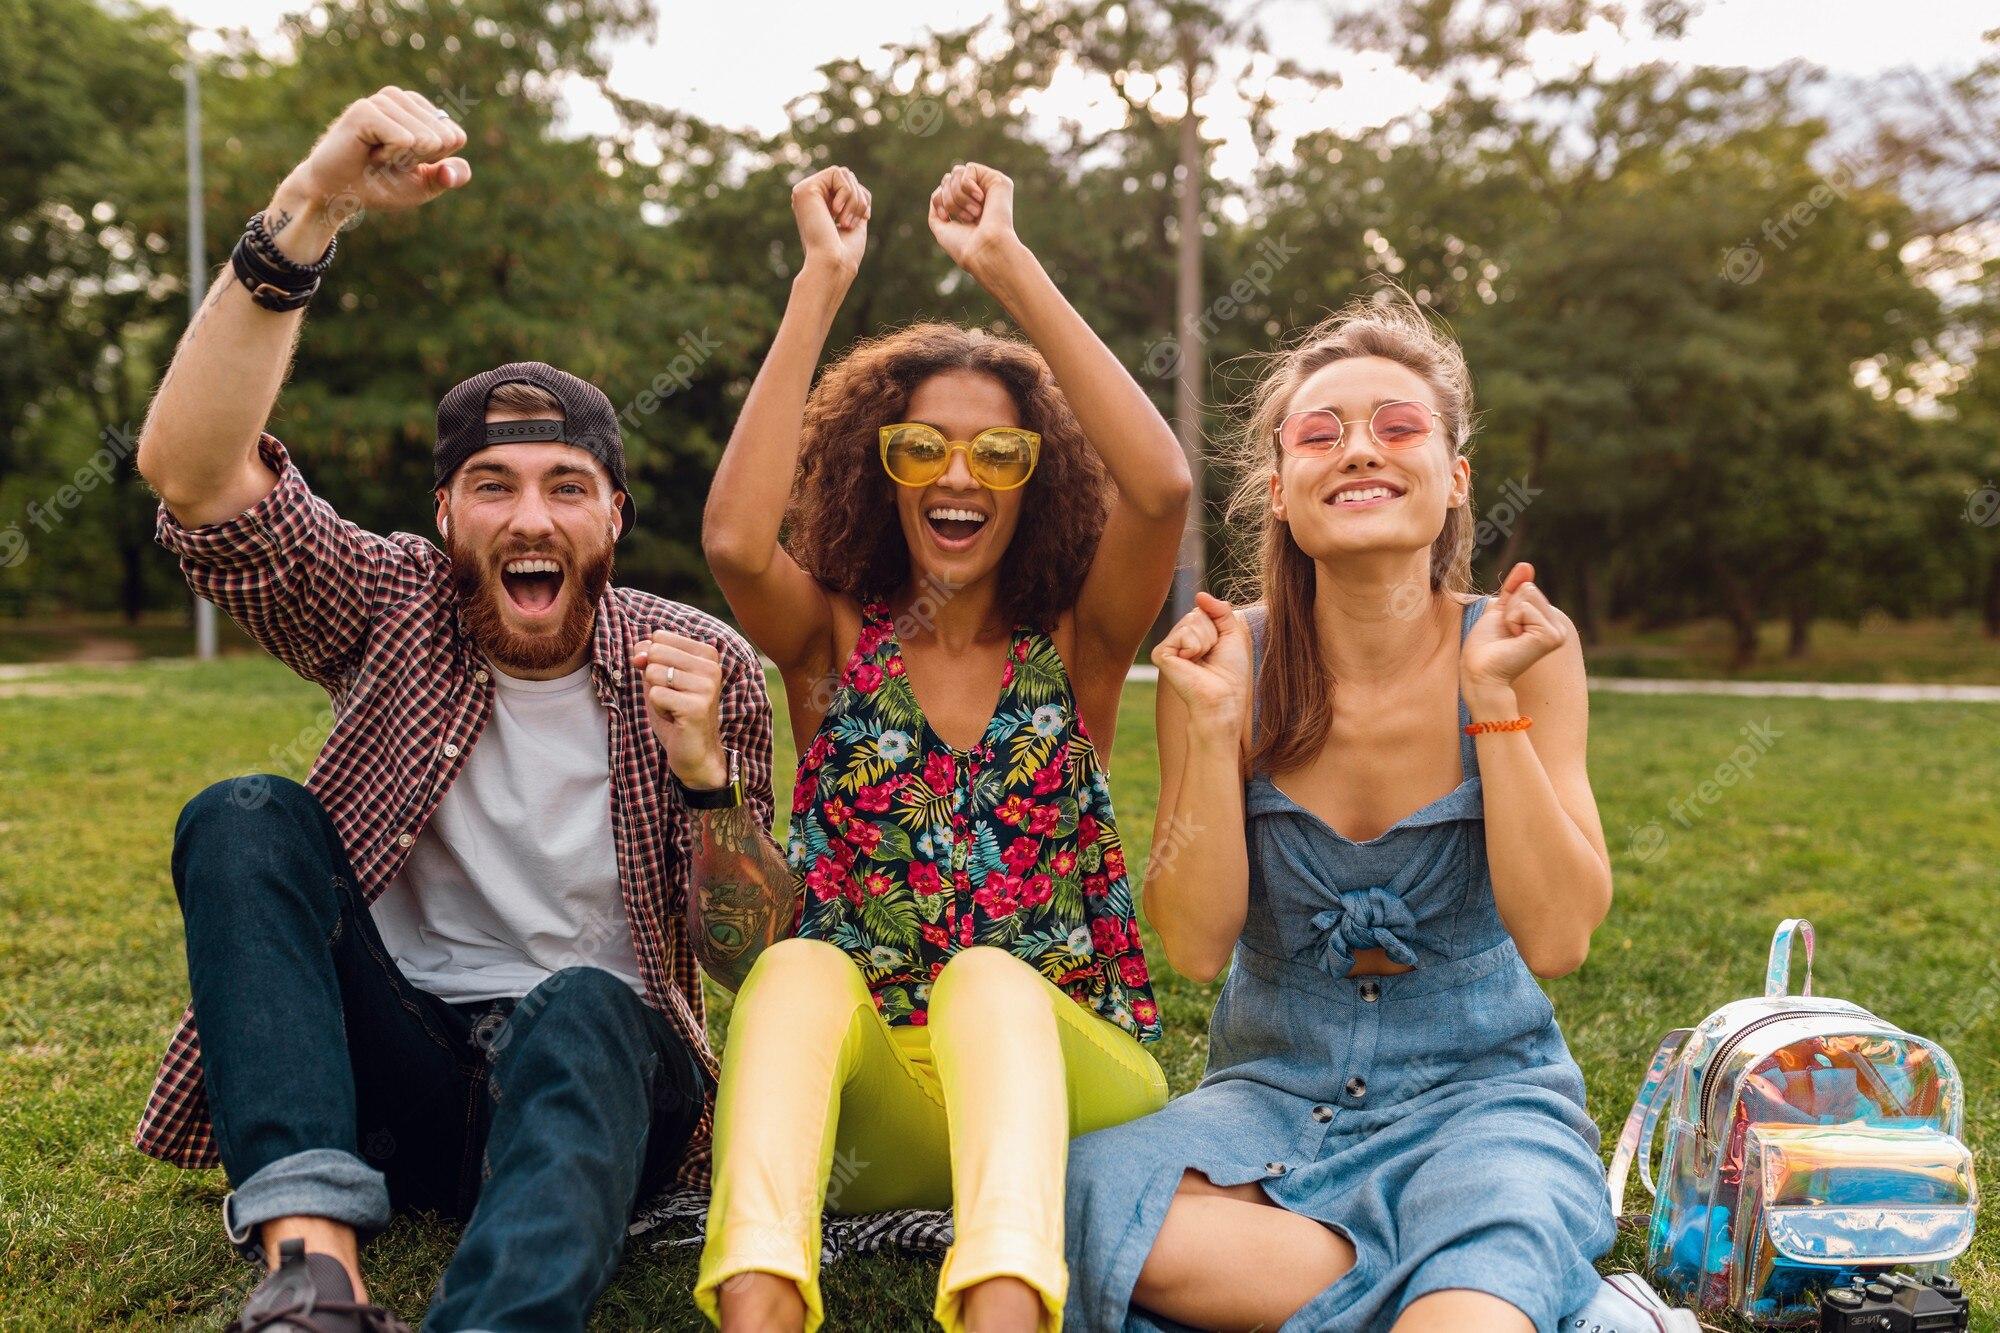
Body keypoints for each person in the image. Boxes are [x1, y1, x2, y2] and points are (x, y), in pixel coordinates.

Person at [131, 87, 796, 1333]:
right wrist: (315, 204)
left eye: (564, 485)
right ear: (446, 518)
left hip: (602, 1088)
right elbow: (196, 476)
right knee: (244, 813)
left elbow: (749, 964)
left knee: (590, 1001)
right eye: (490, 485)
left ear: (612, 518)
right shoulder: (390, 602)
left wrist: (706, 778)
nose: (529, 517)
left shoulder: (696, 655)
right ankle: (313, 1271)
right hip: (402, 1087)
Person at [692, 163, 1192, 1332]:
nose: (958, 475)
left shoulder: (1076, 650)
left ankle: (1006, 1309)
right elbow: (730, 536)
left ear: (1034, 483)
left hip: (1072, 1081)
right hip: (884, 1110)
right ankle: (757, 1305)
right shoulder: (830, 646)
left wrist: (1005, 264)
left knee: (985, 977)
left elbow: (1162, 486)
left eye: (998, 456)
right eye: (922, 449)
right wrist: (820, 282)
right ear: (883, 467)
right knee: (797, 967)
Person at [1063, 293, 1618, 1332]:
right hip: (1269, 1102)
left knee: (1473, 1291)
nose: (1357, 449)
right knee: (1073, 1191)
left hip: (1484, 1105)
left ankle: (1473, 1278)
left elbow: (1556, 936)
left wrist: (1492, 707)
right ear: (1279, 490)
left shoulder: (1523, 648)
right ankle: (1478, 1289)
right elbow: (1190, 941)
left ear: (1452, 479)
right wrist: (1217, 725)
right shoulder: (1218, 662)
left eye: (1396, 427)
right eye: (1320, 435)